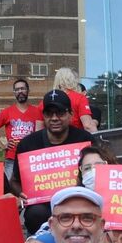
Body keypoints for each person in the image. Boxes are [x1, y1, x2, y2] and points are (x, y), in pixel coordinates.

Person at [11, 90, 93, 233]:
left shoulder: (86, 140)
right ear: (43, 116)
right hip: (42, 205)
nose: (54, 118)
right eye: (49, 113)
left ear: (71, 114)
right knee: (35, 213)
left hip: (77, 201)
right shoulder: (27, 144)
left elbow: (101, 172)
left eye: (60, 112)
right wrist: (22, 194)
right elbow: (14, 181)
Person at [0, 77, 44, 180]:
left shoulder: (37, 112)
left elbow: (40, 136)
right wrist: (3, 146)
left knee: (31, 186)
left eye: (23, 88)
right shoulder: (6, 112)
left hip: (30, 157)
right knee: (9, 188)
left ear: (28, 90)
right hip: (12, 158)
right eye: (17, 89)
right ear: (14, 92)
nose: (20, 91)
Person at [52, 67, 98, 133]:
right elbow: (88, 126)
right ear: (73, 80)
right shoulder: (79, 98)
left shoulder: (46, 101)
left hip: (52, 141)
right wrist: (98, 141)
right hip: (75, 140)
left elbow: (39, 130)